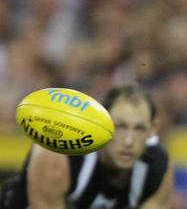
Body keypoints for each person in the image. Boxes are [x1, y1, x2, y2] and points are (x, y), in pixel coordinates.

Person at [0, 85, 173, 209]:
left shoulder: (157, 167)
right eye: (120, 127)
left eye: (139, 128)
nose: (128, 141)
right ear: (101, 124)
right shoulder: (58, 156)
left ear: (152, 130)